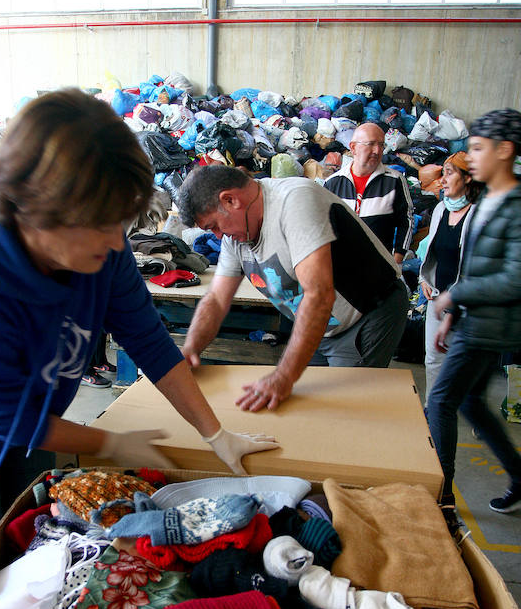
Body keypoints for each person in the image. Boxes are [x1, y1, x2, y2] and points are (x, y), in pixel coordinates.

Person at [0, 89, 277, 576]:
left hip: (37, 412)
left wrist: (214, 432)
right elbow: (0, 421)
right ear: (40, 212)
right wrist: (108, 443)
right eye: (101, 225)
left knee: (35, 536)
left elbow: (148, 340)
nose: (116, 243)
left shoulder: (100, 243)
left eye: (121, 222)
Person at [177, 165, 409, 412]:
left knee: (345, 412)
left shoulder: (294, 201)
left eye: (214, 225)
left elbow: (318, 296)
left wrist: (283, 376)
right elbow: (216, 299)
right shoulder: (234, 236)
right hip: (321, 326)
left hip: (365, 317)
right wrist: (190, 349)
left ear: (230, 200)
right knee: (305, 407)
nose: (217, 236)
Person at [427, 108, 521, 518]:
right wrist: (453, 313)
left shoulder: (516, 206)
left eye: (479, 149)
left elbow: (515, 279)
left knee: (441, 401)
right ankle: (519, 474)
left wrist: (455, 295)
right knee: (469, 403)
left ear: (505, 150)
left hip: (490, 326)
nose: (472, 157)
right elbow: (474, 265)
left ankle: (442, 496)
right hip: (473, 319)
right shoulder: (487, 199)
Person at [419, 152, 482, 404]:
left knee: (461, 368)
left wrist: (453, 310)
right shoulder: (440, 209)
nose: (442, 180)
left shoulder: (479, 216)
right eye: (442, 173)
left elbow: (475, 269)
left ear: (467, 178)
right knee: (433, 359)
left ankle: (460, 412)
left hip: (466, 305)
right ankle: (431, 411)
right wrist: (424, 279)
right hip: (438, 298)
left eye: (449, 173)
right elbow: (431, 252)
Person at [323, 122, 414, 264]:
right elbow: (322, 226)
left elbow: (406, 221)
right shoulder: (333, 183)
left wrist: (397, 259)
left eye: (381, 145)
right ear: (353, 147)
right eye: (370, 144)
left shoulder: (394, 181)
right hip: (341, 268)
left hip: (379, 268)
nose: (377, 151)